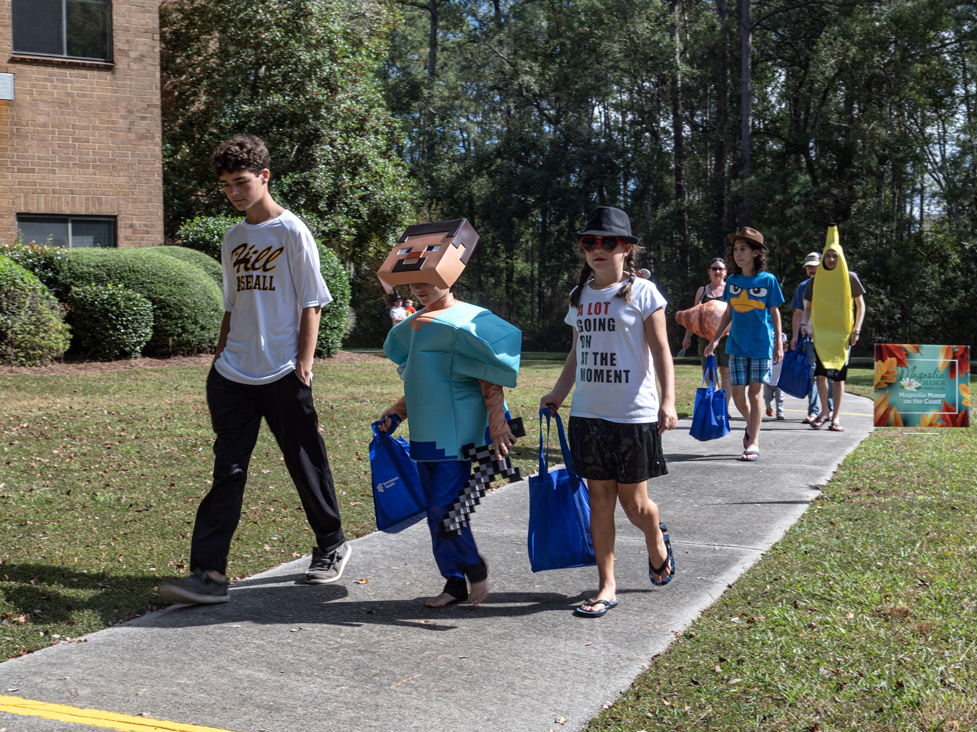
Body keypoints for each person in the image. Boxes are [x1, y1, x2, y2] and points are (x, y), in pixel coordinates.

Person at [160, 134, 348, 605]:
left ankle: (331, 543)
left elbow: (312, 301)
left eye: (241, 182)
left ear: (265, 177)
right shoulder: (233, 236)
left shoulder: (291, 232)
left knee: (304, 462)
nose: (235, 193)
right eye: (226, 185)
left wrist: (303, 365)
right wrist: (221, 354)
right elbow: (231, 303)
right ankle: (209, 576)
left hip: (283, 371)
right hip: (232, 375)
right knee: (229, 470)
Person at [377, 219, 521, 608]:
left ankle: (476, 571)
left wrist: (497, 421)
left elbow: (488, 379)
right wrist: (398, 411)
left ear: (449, 276)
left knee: (445, 510)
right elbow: (423, 377)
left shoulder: (469, 321)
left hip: (459, 437)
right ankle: (453, 582)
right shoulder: (414, 326)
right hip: (425, 433)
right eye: (414, 283)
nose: (420, 288)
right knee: (434, 513)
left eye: (427, 280)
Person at [541, 206, 676, 619]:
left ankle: (656, 540)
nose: (598, 249)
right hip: (589, 413)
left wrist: (668, 401)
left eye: (608, 242)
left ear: (627, 248)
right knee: (599, 500)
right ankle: (606, 586)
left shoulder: (644, 293)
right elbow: (576, 351)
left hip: (633, 414)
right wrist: (559, 393)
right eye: (589, 242)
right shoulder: (578, 297)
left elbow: (661, 351)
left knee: (635, 506)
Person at [703, 227, 784, 462]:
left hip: (760, 346)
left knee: (755, 393)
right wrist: (716, 338)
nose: (737, 254)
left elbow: (775, 312)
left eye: (743, 249)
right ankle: (753, 426)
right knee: (738, 396)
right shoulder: (734, 280)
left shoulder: (768, 280)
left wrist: (779, 342)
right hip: (736, 344)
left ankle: (754, 441)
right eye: (735, 250)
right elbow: (729, 311)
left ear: (756, 252)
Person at [799, 232, 866, 432]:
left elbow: (860, 306)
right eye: (827, 256)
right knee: (820, 376)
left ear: (841, 257)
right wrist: (805, 324)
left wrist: (857, 330)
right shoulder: (815, 281)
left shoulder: (850, 277)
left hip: (842, 338)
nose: (830, 259)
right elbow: (808, 308)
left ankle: (836, 417)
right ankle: (824, 412)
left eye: (834, 255)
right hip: (821, 337)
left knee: (838, 379)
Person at [681, 257, 732, 418]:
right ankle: (711, 407)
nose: (717, 271)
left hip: (726, 338)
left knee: (725, 372)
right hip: (705, 339)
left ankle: (723, 408)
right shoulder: (702, 291)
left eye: (720, 269)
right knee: (710, 372)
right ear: (708, 271)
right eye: (714, 268)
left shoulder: (730, 290)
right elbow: (693, 316)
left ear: (725, 272)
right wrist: (687, 335)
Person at [789, 252, 831, 423]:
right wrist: (794, 336)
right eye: (808, 267)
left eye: (815, 265)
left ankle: (829, 410)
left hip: (830, 338)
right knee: (812, 374)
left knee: (828, 375)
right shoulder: (802, 287)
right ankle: (813, 411)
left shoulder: (831, 285)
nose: (811, 269)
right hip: (809, 338)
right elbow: (798, 313)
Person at [763, 331, 788, 419]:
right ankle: (769, 407)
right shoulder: (767, 354)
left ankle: (780, 413)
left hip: (780, 382)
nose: (775, 344)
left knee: (780, 398)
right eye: (773, 342)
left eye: (777, 342)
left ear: (783, 343)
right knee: (767, 397)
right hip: (768, 382)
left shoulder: (785, 356)